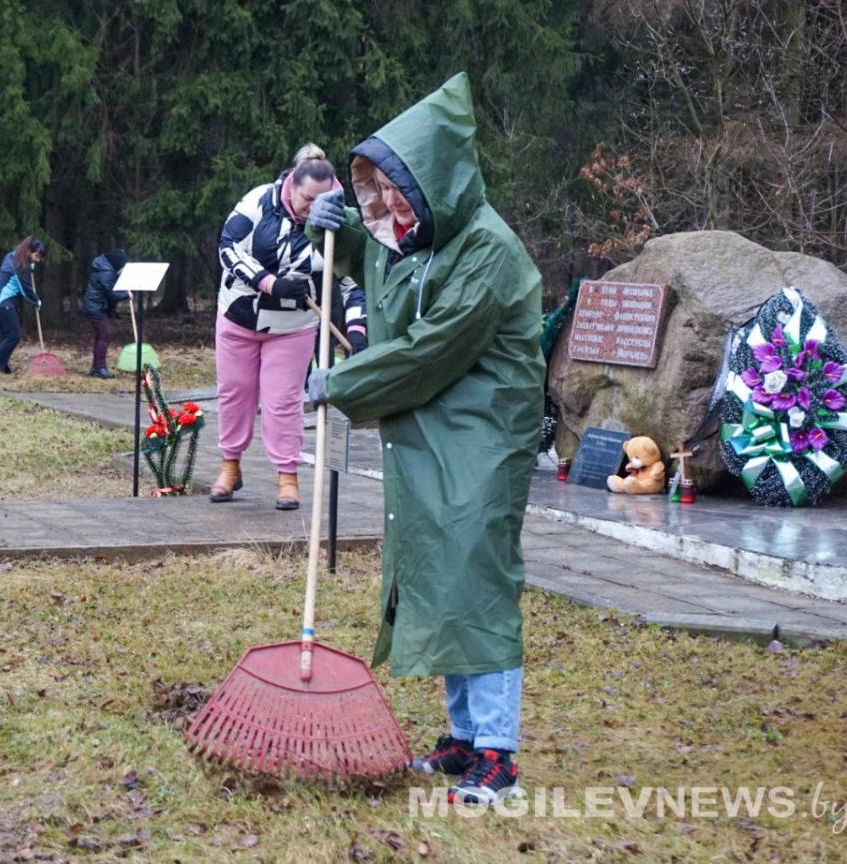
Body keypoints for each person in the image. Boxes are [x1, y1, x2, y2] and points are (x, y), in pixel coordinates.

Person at [305, 73, 545, 805]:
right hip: (433, 423)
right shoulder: (415, 230)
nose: (389, 209)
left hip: (483, 430)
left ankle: (497, 755)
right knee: (438, 572)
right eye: (378, 195)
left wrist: (340, 383)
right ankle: (464, 738)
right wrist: (337, 226)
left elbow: (430, 347)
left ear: (440, 182)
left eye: (399, 194)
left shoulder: (490, 252)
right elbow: (378, 263)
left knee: (475, 574)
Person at [212, 143, 363, 509]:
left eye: (321, 201)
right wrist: (269, 282)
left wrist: (357, 334)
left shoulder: (339, 223)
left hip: (293, 328)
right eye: (307, 199)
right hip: (239, 317)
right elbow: (228, 247)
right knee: (235, 393)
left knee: (284, 402)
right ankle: (230, 464)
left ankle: (287, 477)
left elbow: (354, 282)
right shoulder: (258, 201)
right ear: (291, 185)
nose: (312, 209)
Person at [0, 236, 46, 374]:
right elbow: (25, 288)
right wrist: (36, 301)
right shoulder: (18, 265)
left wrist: (30, 266)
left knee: (5, 336)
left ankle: (2, 367)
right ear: (29, 251)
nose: (38, 259)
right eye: (37, 256)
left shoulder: (14, 258)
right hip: (3, 302)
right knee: (14, 336)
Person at [83, 249, 130, 378]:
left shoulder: (106, 270)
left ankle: (96, 368)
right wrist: (127, 295)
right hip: (95, 308)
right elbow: (112, 294)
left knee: (101, 336)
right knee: (105, 335)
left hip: (97, 307)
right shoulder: (106, 274)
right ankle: (100, 368)